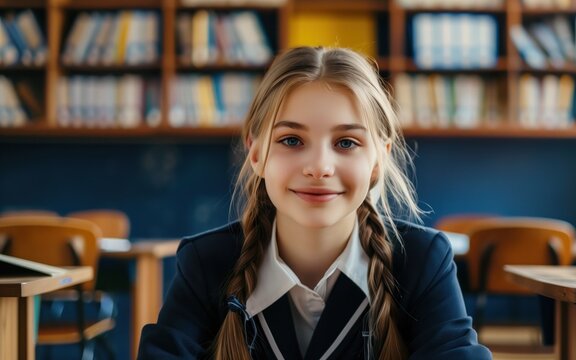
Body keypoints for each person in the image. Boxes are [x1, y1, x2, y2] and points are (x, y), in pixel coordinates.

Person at [138, 46, 491, 360]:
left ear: (378, 160)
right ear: (257, 154)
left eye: (347, 143)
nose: (319, 167)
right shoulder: (205, 263)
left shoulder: (422, 259)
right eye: (291, 140)